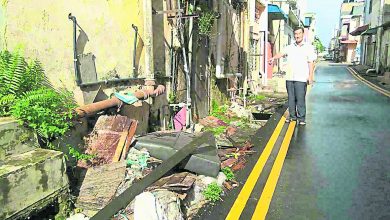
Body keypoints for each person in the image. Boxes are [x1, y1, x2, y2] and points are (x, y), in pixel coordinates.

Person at [268, 26, 317, 125]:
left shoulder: (308, 47)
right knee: (291, 98)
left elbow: (311, 62)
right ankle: (292, 116)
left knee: (300, 99)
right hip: (290, 77)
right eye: (296, 34)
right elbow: (281, 53)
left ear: (303, 34)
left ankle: (301, 118)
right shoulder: (290, 47)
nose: (297, 36)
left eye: (299, 33)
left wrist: (310, 76)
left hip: (301, 78)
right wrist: (273, 58)